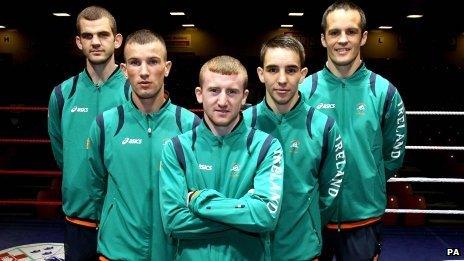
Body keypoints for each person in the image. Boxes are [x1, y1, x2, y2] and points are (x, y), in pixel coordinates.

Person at [299, 1, 408, 260]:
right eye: (334, 32)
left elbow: (393, 156)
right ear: (324, 39)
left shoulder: (385, 92)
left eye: (351, 32)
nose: (343, 40)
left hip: (364, 219)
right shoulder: (303, 91)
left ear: (364, 37)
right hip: (312, 218)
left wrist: (367, 181)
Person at [87, 29, 200, 260]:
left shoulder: (190, 126)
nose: (145, 72)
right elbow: (96, 186)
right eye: (135, 63)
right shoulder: (106, 124)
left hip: (173, 252)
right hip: (117, 251)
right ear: (124, 70)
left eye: (153, 62)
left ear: (167, 68)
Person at [159, 55, 284, 260]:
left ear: (244, 97)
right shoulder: (176, 148)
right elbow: (173, 221)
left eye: (232, 92)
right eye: (214, 90)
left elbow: (265, 217)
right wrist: (243, 215)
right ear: (200, 94)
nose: (223, 101)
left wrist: (198, 201)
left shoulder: (267, 147)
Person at [243, 35, 345, 260]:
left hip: (302, 251)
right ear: (260, 74)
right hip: (248, 251)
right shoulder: (241, 124)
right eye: (272, 69)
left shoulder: (323, 127)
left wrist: (308, 222)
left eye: (291, 70)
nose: (282, 79)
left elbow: (330, 192)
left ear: (303, 74)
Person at [47, 5, 129, 260]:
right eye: (87, 36)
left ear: (116, 41)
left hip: (123, 217)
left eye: (103, 35)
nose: (95, 42)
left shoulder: (134, 93)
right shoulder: (63, 94)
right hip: (77, 217)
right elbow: (61, 151)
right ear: (78, 42)